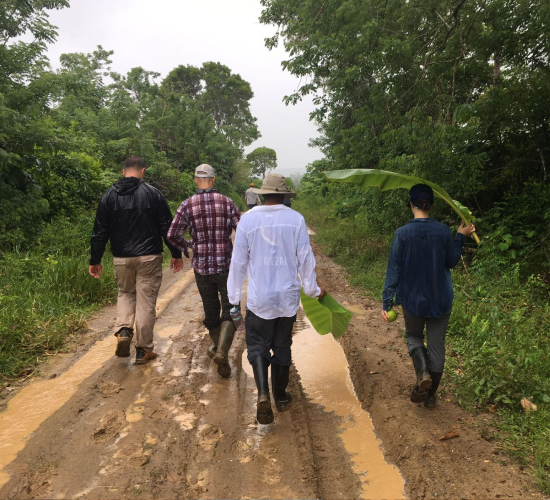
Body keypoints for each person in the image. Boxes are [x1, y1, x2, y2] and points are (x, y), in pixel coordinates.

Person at [227, 173, 325, 424]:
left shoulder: (247, 220)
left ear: (262, 194)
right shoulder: (296, 219)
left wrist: (233, 298)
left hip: (259, 299)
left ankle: (262, 394)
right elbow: (305, 258)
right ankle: (280, 395)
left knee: (257, 346)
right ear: (283, 195)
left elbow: (238, 263)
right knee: (282, 346)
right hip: (287, 298)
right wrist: (313, 290)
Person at [381, 184, 476, 408]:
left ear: (411, 205)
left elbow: (393, 269)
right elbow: (451, 261)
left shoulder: (402, 233)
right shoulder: (443, 231)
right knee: (437, 346)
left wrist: (387, 301)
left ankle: (422, 372)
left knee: (413, 337)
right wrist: (460, 237)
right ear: (430, 205)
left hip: (413, 300)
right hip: (440, 299)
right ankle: (431, 395)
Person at [89, 156, 183, 365]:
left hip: (121, 258)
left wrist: (95, 260)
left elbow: (99, 232)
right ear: (143, 171)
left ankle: (123, 330)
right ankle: (143, 350)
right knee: (146, 302)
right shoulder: (152, 193)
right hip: (149, 257)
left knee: (125, 293)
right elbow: (167, 227)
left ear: (123, 172)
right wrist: (176, 254)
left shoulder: (109, 196)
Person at [167, 164, 241, 378]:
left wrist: (189, 245)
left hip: (202, 267)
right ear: (214, 180)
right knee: (232, 308)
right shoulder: (227, 202)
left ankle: (217, 348)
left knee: (211, 310)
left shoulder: (187, 204)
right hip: (226, 265)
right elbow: (243, 230)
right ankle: (222, 352)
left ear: (195, 180)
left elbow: (172, 234)